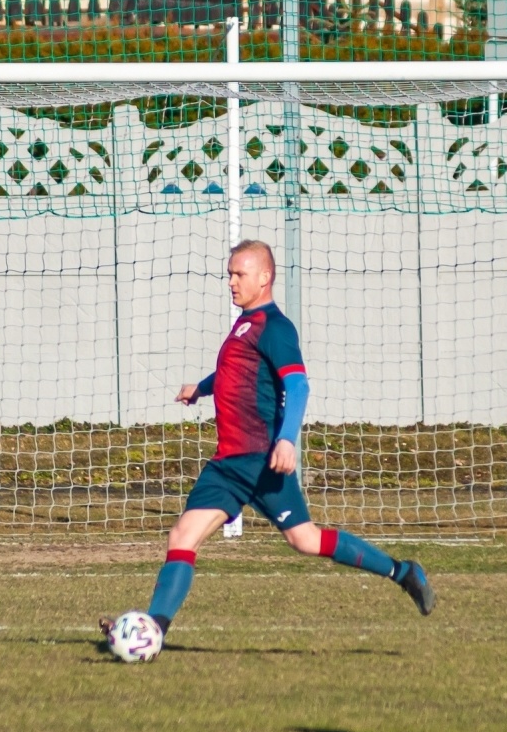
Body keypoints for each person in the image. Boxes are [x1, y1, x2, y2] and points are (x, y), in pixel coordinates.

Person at [104, 240, 435, 649]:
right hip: (228, 464)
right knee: (182, 537)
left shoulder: (275, 327)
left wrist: (286, 440)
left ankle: (402, 572)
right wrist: (201, 388)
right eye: (229, 274)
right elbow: (236, 372)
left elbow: (297, 384)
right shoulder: (244, 324)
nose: (231, 282)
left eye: (238, 274)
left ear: (264, 277)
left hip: (262, 460)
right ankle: (152, 631)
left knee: (305, 540)